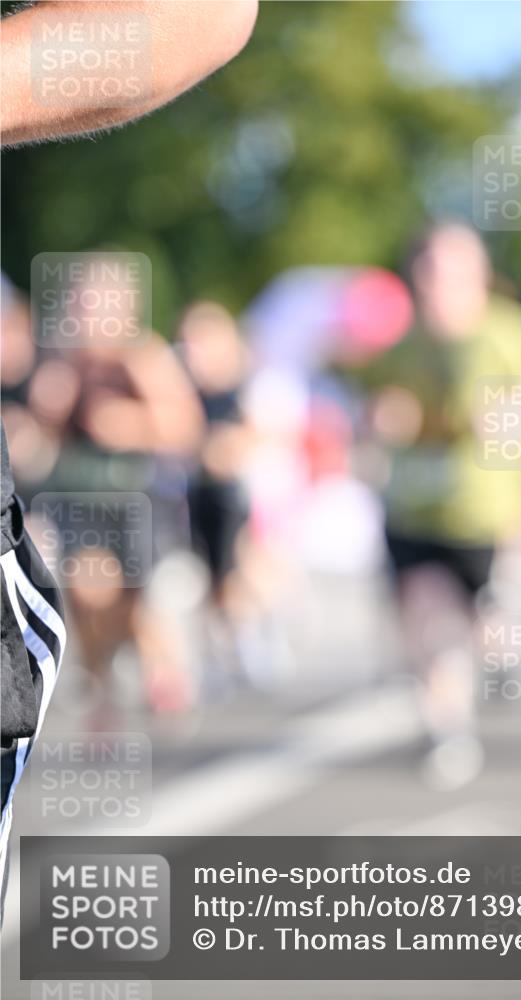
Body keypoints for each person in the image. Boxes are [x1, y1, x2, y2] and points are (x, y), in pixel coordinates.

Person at [0, 0, 258, 908]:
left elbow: (181, 430)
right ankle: (110, 691)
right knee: (91, 604)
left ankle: (163, 671)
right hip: (74, 497)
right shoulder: (70, 358)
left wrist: (130, 428)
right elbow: (40, 419)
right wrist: (65, 402)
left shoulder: (147, 356)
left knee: (125, 601)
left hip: (136, 497)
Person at [359, 223, 521, 788]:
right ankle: (449, 733)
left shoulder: (507, 331)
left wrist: (509, 422)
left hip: (486, 516)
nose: (437, 283)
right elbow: (376, 416)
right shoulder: (401, 345)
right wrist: (381, 421)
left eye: (451, 270)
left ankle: (500, 646)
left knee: (485, 629)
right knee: (427, 623)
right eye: (428, 270)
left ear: (476, 275)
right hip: (414, 512)